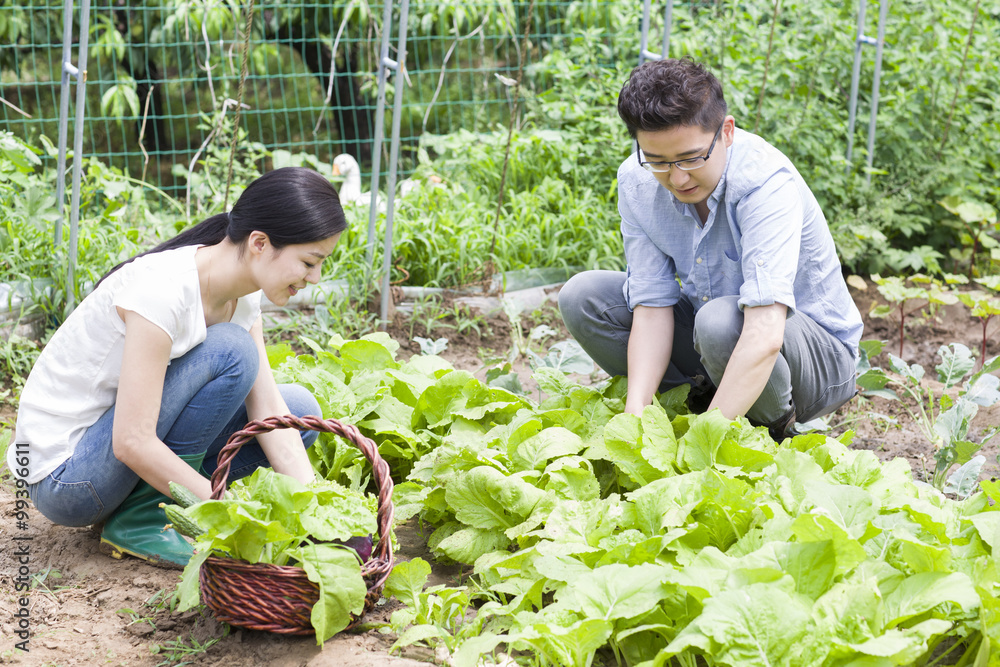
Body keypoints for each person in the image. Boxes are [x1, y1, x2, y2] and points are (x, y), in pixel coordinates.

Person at [9, 167, 346, 567]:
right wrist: (224, 511)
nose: (316, 277)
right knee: (231, 351)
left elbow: (268, 408)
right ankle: (141, 520)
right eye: (309, 262)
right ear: (259, 242)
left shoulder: (243, 297)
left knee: (298, 414)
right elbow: (131, 441)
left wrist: (317, 519)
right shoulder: (163, 291)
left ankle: (143, 506)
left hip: (112, 457)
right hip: (66, 477)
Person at [559, 57, 862, 440]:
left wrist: (702, 445)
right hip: (718, 339)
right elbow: (652, 306)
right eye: (658, 161)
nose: (678, 177)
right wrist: (635, 418)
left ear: (727, 132)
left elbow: (766, 332)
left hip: (817, 362)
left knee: (720, 321)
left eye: (691, 157)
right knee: (583, 296)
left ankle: (770, 432)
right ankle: (696, 412)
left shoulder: (763, 183)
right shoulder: (637, 181)